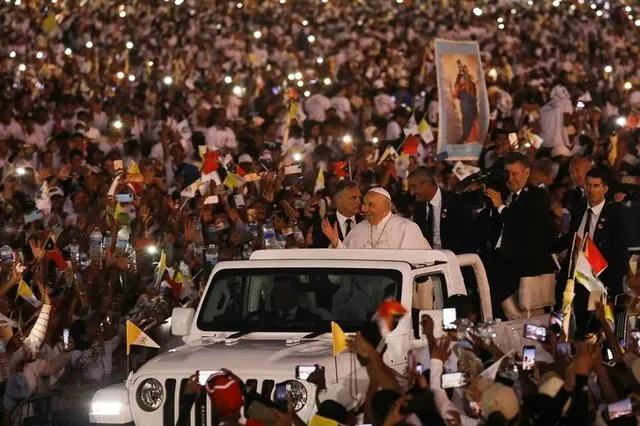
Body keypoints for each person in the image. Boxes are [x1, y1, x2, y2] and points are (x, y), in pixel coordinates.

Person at [483, 153, 556, 317]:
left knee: (529, 319)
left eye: (515, 174)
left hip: (524, 269)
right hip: (499, 265)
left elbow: (524, 226)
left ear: (527, 172)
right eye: (506, 174)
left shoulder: (537, 196)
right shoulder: (503, 195)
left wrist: (501, 207)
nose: (510, 179)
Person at [566, 168, 629, 335]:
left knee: (599, 330)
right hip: (578, 279)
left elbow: (619, 254)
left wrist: (611, 288)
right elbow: (570, 238)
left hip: (601, 281)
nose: (591, 190)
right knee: (579, 328)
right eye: (588, 185)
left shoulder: (615, 214)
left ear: (605, 189)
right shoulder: (579, 207)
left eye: (596, 186)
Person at [321, 187, 430, 249]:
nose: (364, 209)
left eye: (370, 205)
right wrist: (336, 242)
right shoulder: (358, 229)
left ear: (386, 206)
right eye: (364, 204)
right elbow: (349, 261)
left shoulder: (406, 228)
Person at [408, 166, 477, 253]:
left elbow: (469, 237)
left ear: (426, 184)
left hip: (456, 259)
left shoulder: (457, 203)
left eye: (414, 187)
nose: (411, 192)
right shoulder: (418, 206)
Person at [312, 180, 363, 248]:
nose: (358, 201)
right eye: (353, 198)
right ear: (338, 199)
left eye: (359, 197)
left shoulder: (365, 222)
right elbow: (318, 253)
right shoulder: (324, 225)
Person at [452, 60, 479, 144]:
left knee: (471, 118)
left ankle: (470, 136)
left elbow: (474, 92)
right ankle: (465, 135)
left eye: (465, 68)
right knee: (465, 117)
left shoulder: (471, 79)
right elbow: (457, 86)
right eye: (463, 68)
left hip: (471, 100)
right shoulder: (461, 78)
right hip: (464, 99)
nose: (464, 70)